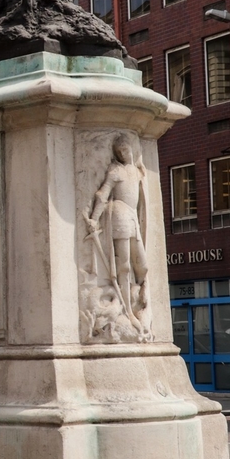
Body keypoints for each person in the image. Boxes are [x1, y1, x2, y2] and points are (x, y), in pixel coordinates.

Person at [86, 135, 149, 332]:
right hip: (120, 215)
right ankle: (128, 310)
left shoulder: (137, 172)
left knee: (143, 265)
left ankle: (140, 297)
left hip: (133, 218)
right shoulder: (116, 171)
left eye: (126, 149)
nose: (124, 153)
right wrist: (94, 219)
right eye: (120, 151)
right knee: (124, 266)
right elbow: (103, 194)